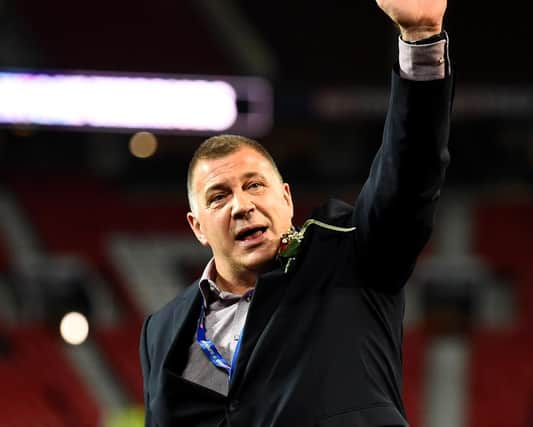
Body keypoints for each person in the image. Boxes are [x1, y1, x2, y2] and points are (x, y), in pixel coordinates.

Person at [139, 0, 453, 425]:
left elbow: (409, 173)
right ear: (197, 227)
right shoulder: (164, 330)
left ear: (285, 199)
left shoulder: (350, 256)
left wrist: (420, 37)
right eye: (218, 197)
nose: (242, 205)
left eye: (254, 185)